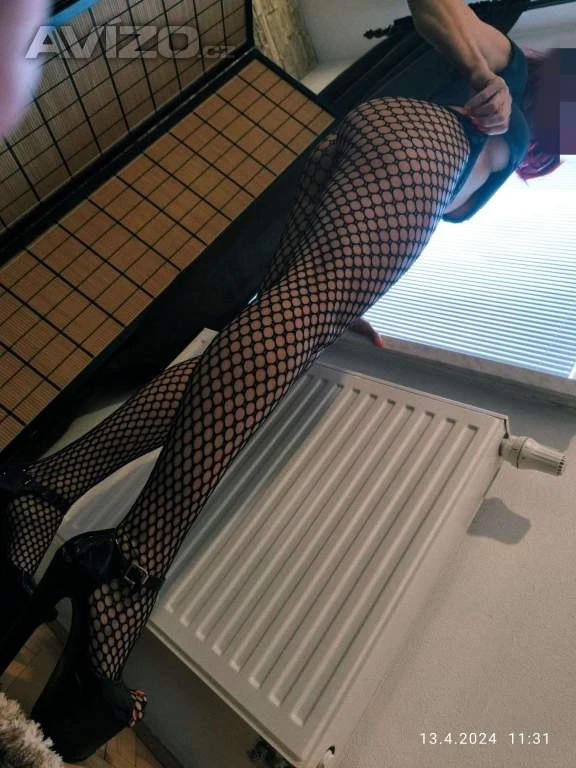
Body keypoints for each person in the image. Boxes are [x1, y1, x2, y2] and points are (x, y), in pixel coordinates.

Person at [0, 0, 562, 760]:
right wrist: (480, 72)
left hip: (373, 152)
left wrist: (334, 306)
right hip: (423, 148)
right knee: (286, 330)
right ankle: (127, 572)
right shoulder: (518, 73)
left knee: (257, 348)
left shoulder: (520, 131)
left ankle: (41, 487)